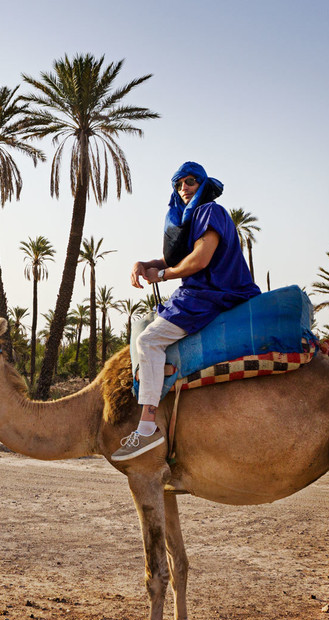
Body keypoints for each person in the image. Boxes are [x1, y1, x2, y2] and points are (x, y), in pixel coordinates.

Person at [112, 161, 261, 462]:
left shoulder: (210, 212)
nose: (184, 189)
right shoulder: (192, 220)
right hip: (198, 293)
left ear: (203, 184)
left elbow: (199, 260)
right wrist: (145, 265)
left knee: (148, 341)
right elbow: (178, 259)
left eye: (191, 182)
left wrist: (163, 276)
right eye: (179, 184)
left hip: (210, 295)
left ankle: (147, 427)